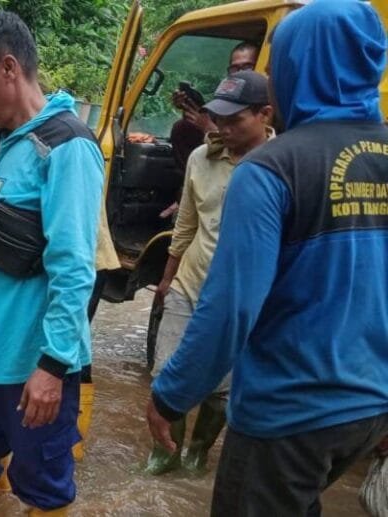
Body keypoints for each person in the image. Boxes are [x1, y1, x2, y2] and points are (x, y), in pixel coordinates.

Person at [147, 1, 388, 514]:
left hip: (289, 411)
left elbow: (230, 307)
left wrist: (170, 394)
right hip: (370, 408)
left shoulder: (271, 169)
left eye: (275, 66)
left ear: (302, 67)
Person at [0, 11, 103, 516]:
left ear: (8, 69)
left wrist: (52, 366)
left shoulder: (66, 147)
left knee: (42, 484)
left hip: (31, 364)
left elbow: (74, 266)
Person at [146, 71, 274, 476]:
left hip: (241, 298)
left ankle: (198, 452)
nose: (224, 128)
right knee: (166, 372)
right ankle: (166, 453)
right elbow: (186, 222)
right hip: (191, 282)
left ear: (265, 114)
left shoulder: (281, 164)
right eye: (220, 118)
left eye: (236, 120)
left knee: (221, 389)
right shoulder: (202, 158)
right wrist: (167, 278)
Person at [170, 41, 260, 173]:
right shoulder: (227, 94)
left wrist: (211, 130)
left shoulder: (265, 101)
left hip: (241, 171)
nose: (240, 73)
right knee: (183, 128)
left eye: (247, 67)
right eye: (234, 69)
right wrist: (187, 106)